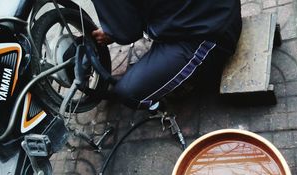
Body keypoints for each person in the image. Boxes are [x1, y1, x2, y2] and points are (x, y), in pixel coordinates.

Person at [91, 0, 242, 109]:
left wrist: (112, 33)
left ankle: (186, 83)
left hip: (209, 32)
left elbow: (128, 33)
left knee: (129, 94)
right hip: (220, 8)